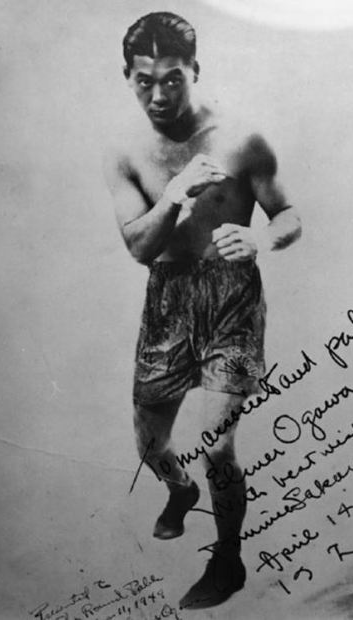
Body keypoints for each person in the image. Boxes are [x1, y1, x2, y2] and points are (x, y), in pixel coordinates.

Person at [104, 11, 301, 609]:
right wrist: (173, 195)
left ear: (195, 70)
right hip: (167, 298)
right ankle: (180, 490)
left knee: (217, 443)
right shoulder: (127, 153)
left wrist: (261, 239)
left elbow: (289, 214)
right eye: (145, 81)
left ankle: (229, 560)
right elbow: (140, 250)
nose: (159, 94)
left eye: (173, 79)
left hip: (231, 299)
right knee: (149, 445)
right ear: (127, 76)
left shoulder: (242, 139)